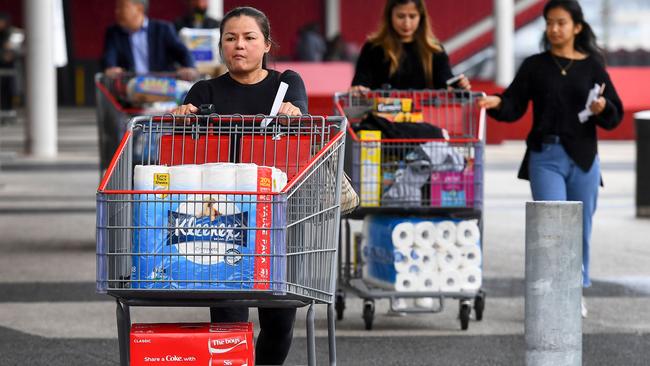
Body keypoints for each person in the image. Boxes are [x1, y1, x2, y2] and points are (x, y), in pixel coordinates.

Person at [171, 7, 306, 365]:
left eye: (249, 38)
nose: (239, 46)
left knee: (279, 320)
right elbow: (185, 151)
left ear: (266, 44)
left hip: (277, 215)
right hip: (222, 219)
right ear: (220, 46)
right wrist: (182, 117)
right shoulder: (204, 91)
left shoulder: (286, 85)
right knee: (229, 319)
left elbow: (306, 127)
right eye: (230, 38)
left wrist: (295, 113)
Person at [478, 0, 623, 318]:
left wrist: (603, 109)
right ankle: (549, 293)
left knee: (580, 228)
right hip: (546, 156)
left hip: (584, 159)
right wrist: (497, 103)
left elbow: (615, 113)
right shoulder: (535, 65)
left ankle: (574, 291)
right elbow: (513, 103)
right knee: (551, 227)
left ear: (577, 27)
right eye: (549, 23)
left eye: (561, 22)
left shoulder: (593, 66)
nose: (554, 29)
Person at [350, 0, 470, 93]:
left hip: (425, 120)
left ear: (421, 17)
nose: (407, 23)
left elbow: (446, 81)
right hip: (381, 120)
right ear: (389, 16)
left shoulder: (434, 50)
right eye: (401, 16)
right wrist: (358, 89)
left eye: (412, 16)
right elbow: (360, 83)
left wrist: (458, 85)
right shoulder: (373, 48)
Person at [102, 0, 197, 80]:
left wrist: (190, 67)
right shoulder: (114, 33)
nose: (117, 11)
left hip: (162, 89)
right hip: (129, 91)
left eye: (121, 7)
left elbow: (183, 52)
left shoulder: (163, 29)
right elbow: (110, 56)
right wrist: (111, 68)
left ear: (139, 9)